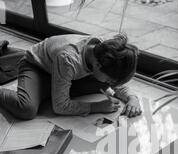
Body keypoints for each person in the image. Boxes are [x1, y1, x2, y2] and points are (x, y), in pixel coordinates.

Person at [0, 33, 142, 120]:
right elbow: (60, 107)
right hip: (37, 67)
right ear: (98, 65)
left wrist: (132, 98)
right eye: (110, 79)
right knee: (26, 109)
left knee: (102, 84)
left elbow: (116, 80)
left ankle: (51, 90)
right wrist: (95, 107)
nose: (112, 84)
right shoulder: (69, 59)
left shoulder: (106, 52)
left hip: (65, 71)